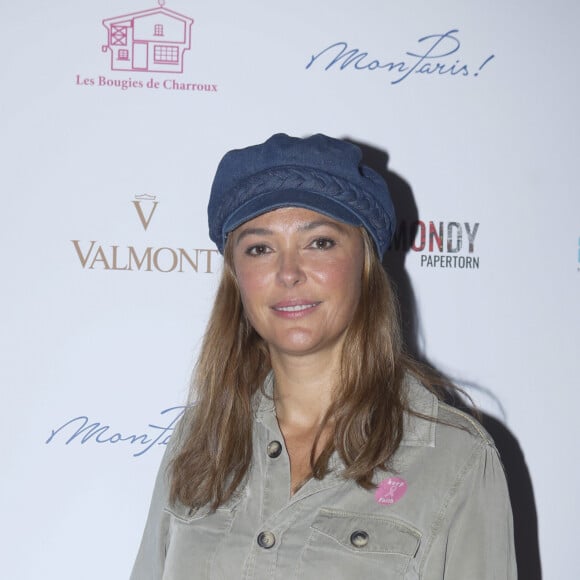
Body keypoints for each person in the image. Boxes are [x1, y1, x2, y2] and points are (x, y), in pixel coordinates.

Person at [130, 133, 517, 579]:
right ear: (237, 277)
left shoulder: (455, 457)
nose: (288, 272)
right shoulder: (200, 438)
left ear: (365, 262)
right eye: (260, 248)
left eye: (320, 243)